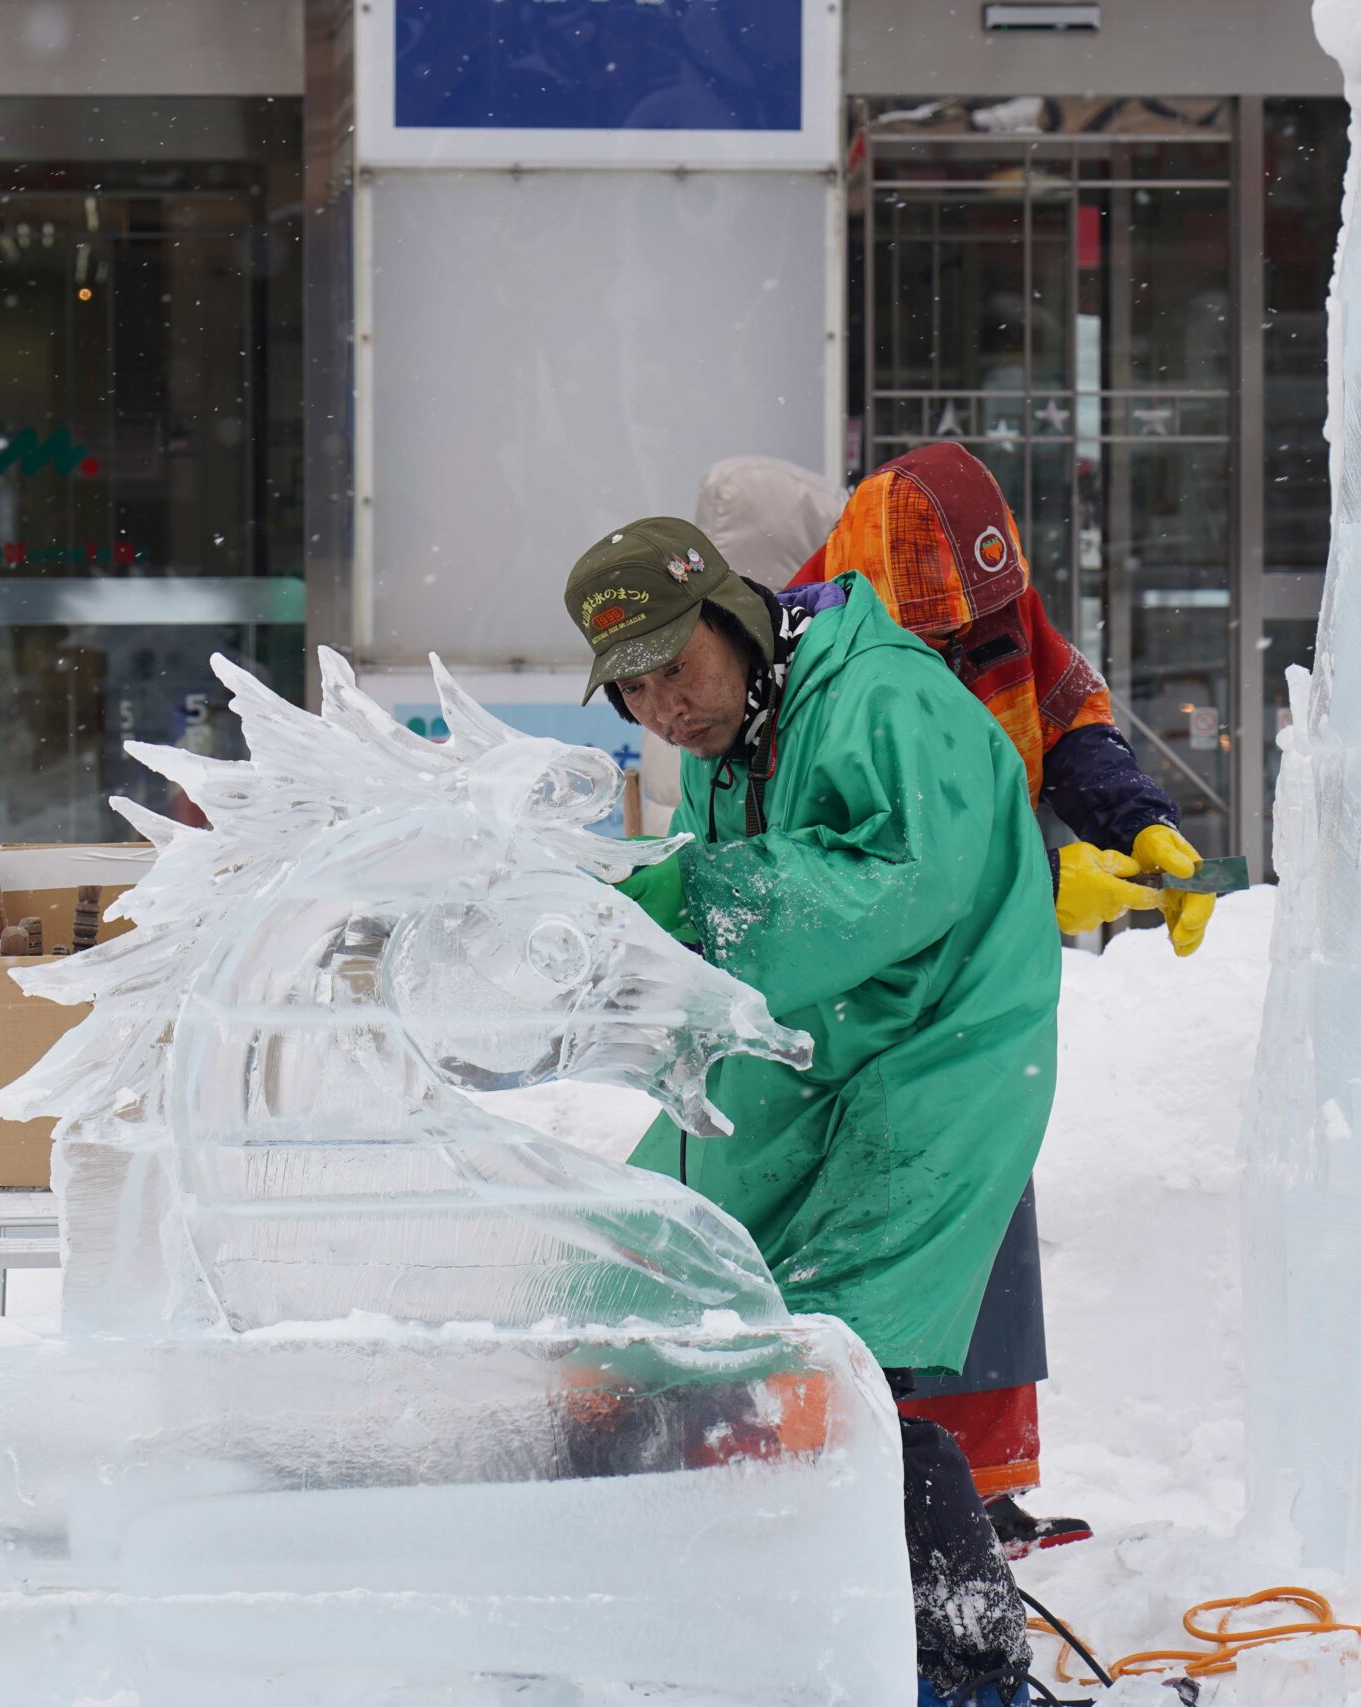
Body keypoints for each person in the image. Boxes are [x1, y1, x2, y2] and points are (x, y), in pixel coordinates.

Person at [566, 516, 1058, 1706]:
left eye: (675, 671)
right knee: (643, 1283)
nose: (662, 712)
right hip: (814, 1041)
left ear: (733, 621)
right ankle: (729, 1610)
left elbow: (908, 879)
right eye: (630, 692)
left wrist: (698, 897)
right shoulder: (734, 727)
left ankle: (962, 1660)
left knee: (834, 1365)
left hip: (935, 1051)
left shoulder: (881, 696)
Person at [696, 446, 1214, 1557]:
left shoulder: (978, 607)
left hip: (973, 992)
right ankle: (856, 1474)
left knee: (980, 1226)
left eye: (973, 631)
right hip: (859, 1007)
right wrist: (1027, 876)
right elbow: (851, 860)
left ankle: (969, 1489)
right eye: (937, 636)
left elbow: (1059, 705)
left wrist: (1130, 817)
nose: (961, 652)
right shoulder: (804, 669)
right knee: (860, 1236)